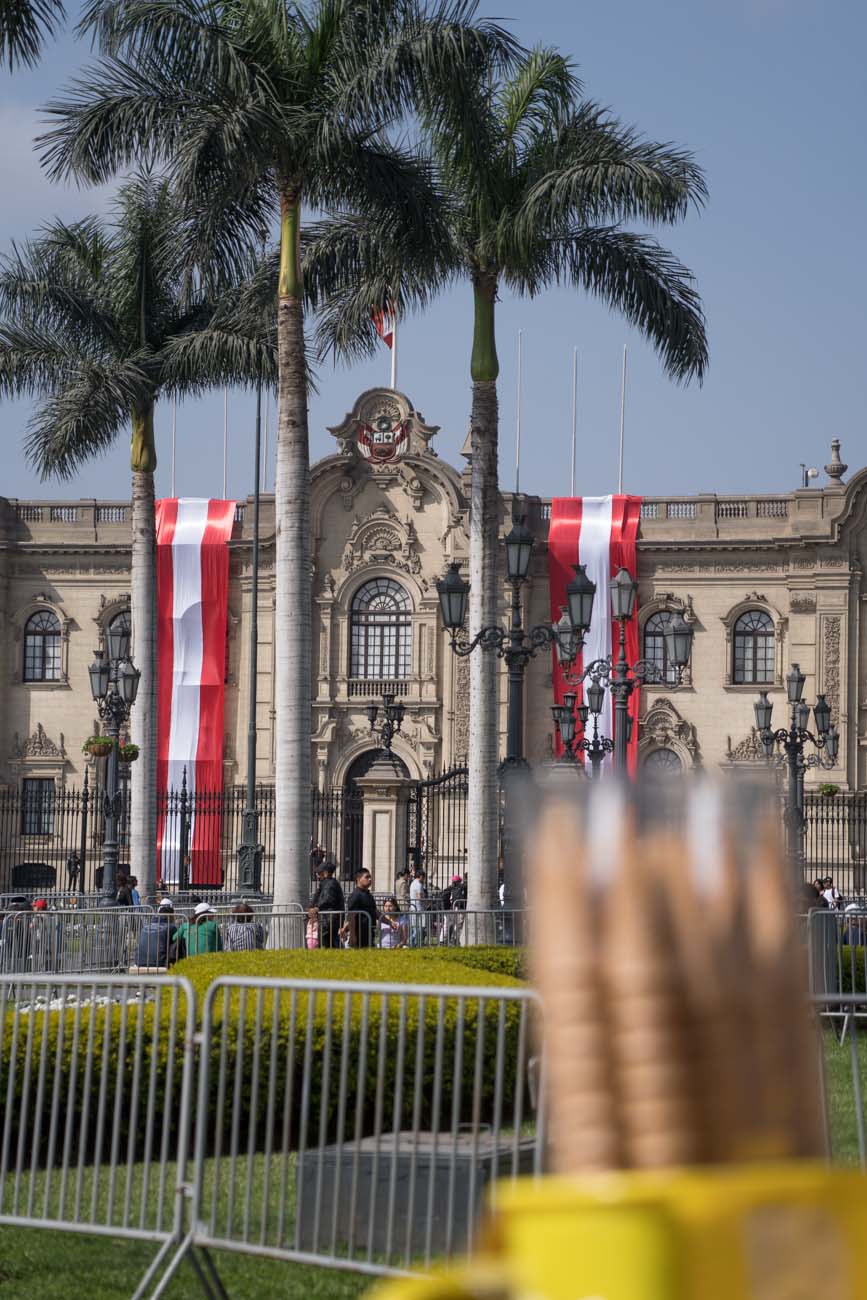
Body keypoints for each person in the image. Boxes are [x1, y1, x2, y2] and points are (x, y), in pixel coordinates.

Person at [346, 869, 394, 949]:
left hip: (370, 933)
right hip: (360, 934)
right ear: (358, 879)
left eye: (370, 877)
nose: (370, 879)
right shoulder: (355, 896)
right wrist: (353, 935)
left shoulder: (369, 895)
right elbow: (351, 917)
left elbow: (376, 912)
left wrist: (389, 922)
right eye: (367, 877)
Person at [135, 898, 181, 968]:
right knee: (179, 941)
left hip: (138, 961)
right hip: (160, 962)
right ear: (171, 914)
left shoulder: (146, 926)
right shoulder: (171, 927)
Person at [312, 861, 345, 948]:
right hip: (328, 919)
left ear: (326, 873)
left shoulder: (330, 884)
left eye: (320, 873)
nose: (318, 875)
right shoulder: (326, 883)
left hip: (328, 920)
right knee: (329, 943)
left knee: (326, 944)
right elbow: (318, 896)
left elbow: (327, 899)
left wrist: (316, 908)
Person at [409, 867, 428, 945]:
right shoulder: (418, 884)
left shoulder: (413, 883)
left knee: (416, 927)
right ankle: (412, 942)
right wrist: (427, 902)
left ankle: (412, 942)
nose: (424, 879)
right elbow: (419, 897)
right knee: (419, 928)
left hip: (414, 907)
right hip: (419, 908)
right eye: (424, 877)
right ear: (420, 876)